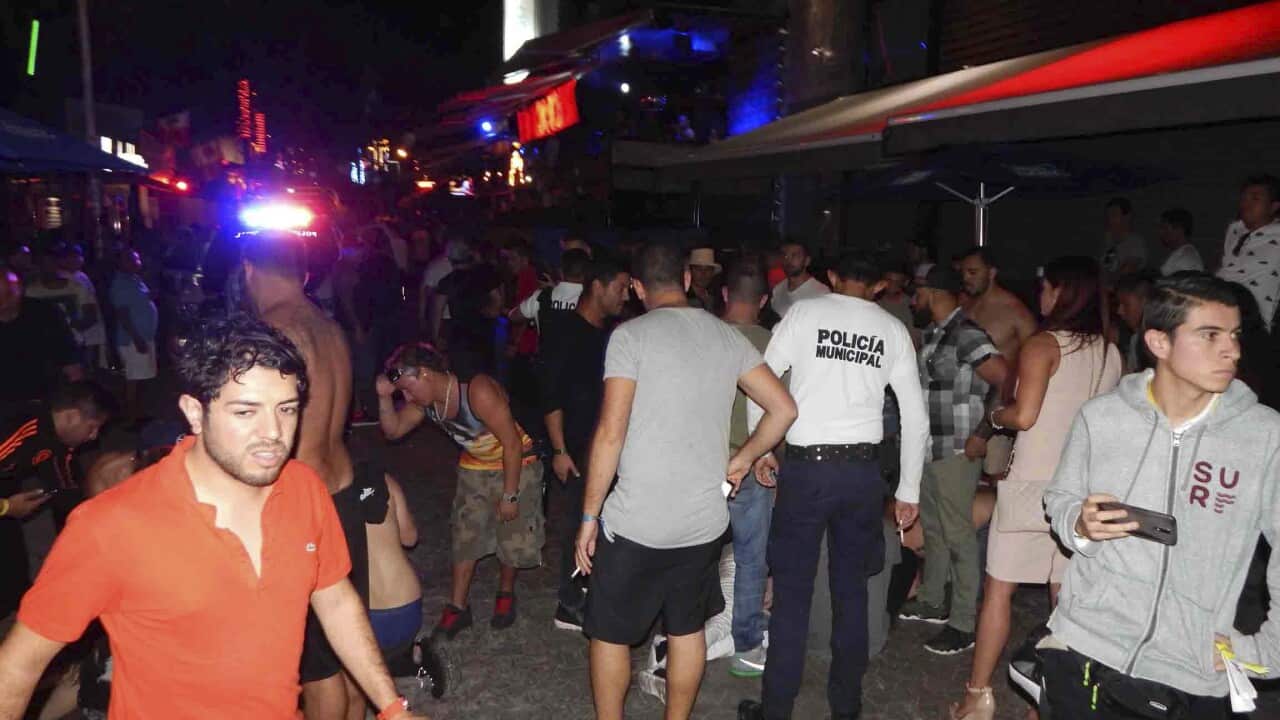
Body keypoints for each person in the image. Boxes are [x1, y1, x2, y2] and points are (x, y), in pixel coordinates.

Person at [0, 315, 427, 720]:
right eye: (246, 412)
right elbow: (18, 664)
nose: (273, 434)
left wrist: (390, 706)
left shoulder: (304, 488)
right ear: (194, 412)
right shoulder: (112, 524)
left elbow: (334, 600)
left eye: (287, 409)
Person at [573, 236, 796, 720]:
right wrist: (747, 456)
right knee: (686, 627)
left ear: (635, 287)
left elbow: (611, 433)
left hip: (637, 522)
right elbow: (783, 408)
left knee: (609, 633)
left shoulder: (630, 337)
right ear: (689, 279)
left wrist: (589, 515)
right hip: (703, 521)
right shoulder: (727, 336)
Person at [1041, 273, 1280, 719]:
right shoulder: (1102, 417)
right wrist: (1078, 522)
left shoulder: (1264, 436)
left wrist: (1266, 650)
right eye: (1210, 336)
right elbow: (1061, 497)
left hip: (1191, 670)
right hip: (1087, 647)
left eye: (1234, 335)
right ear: (1159, 342)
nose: (1232, 350)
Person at [739, 252, 928, 720]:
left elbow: (759, 382)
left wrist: (762, 449)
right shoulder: (891, 329)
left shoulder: (805, 313)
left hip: (806, 471)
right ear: (879, 286)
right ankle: (846, 707)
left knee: (791, 591)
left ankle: (776, 708)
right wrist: (908, 491)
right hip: (862, 475)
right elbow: (915, 418)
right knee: (851, 592)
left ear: (832, 278)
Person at [950, 256, 1121, 720]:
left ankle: (978, 695)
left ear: (1062, 291)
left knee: (999, 590)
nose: (1040, 296)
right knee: (1064, 597)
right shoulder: (1111, 350)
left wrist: (993, 417)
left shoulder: (1043, 344)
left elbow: (1024, 415)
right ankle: (1054, 697)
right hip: (1082, 488)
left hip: (1033, 485)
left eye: (1045, 288)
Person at [241, 232, 373, 720]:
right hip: (343, 495)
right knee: (342, 644)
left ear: (249, 270)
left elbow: (261, 440)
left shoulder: (273, 334)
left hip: (301, 504)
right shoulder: (330, 327)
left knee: (314, 664)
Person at [377, 343, 543, 638]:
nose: (407, 397)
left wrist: (510, 494)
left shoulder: (476, 390)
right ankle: (457, 606)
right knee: (465, 534)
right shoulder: (425, 402)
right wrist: (383, 398)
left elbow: (513, 444)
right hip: (476, 466)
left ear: (425, 374)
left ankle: (505, 593)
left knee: (512, 533)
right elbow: (394, 431)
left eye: (408, 388)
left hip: (518, 461)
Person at [897, 266, 1009, 656]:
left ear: (932, 291)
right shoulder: (937, 333)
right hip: (931, 446)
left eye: (917, 293)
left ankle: (964, 623)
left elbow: (1005, 379)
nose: (913, 300)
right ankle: (932, 599)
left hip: (958, 447)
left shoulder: (966, 333)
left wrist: (984, 431)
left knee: (959, 534)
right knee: (935, 526)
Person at [538, 256, 631, 631]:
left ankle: (588, 591)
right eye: (621, 287)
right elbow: (550, 395)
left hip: (600, 443)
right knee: (581, 520)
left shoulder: (608, 334)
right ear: (598, 286)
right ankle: (569, 601)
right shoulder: (565, 331)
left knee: (597, 519)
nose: (625, 295)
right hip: (575, 447)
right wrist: (559, 450)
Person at [0, 381, 114, 617]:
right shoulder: (17, 432)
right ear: (71, 417)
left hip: (6, 478)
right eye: (92, 427)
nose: (94, 437)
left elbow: (65, 487)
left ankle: (12, 605)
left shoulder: (59, 441)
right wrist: (7, 506)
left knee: (13, 560)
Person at [720, 262, 776, 678]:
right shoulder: (774, 346)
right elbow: (784, 412)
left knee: (693, 552)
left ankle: (683, 632)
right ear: (763, 301)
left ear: (725, 294)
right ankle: (746, 645)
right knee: (751, 557)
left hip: (702, 460)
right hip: (753, 461)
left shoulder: (703, 338)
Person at [0, 268, 82, 405]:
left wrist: (76, 400)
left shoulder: (46, 313)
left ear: (18, 290)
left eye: (7, 294)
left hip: (43, 397)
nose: (3, 302)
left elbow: (70, 360)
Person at [1217, 174, 1280, 331]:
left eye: (1255, 199)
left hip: (1253, 323)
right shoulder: (1234, 229)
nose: (1246, 204)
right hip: (1218, 310)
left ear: (1273, 207)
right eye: (1244, 198)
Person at [24, 243, 100, 368]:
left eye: (50, 263)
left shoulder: (76, 287)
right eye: (43, 264)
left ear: (58, 263)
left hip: (73, 345)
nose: (47, 267)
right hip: (44, 348)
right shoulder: (31, 291)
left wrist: (77, 324)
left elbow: (91, 316)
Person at [109, 249, 158, 421]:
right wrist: (136, 338)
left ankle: (139, 412)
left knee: (143, 377)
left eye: (137, 259)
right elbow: (122, 315)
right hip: (132, 340)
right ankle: (130, 416)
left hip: (144, 336)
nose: (137, 262)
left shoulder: (135, 279)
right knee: (133, 379)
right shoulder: (120, 284)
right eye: (132, 260)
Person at [769, 241, 829, 319]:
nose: (788, 260)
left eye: (795, 255)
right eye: (785, 255)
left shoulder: (820, 293)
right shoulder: (778, 289)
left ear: (807, 261)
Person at [1114, 272, 1156, 373]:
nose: (1119, 311)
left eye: (1126, 304)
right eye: (1119, 304)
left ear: (1145, 303)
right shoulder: (1135, 340)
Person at [1099, 197, 1147, 280]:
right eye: (1107, 216)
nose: (1109, 219)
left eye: (1113, 215)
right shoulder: (1110, 242)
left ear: (1127, 217)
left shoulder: (1135, 242)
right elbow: (1107, 268)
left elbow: (1127, 271)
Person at [1157, 208, 1204, 275]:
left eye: (1165, 228)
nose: (1160, 232)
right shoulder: (1180, 253)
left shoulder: (1187, 258)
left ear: (1179, 230)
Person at [687, 247, 722, 313]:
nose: (703, 274)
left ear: (712, 272)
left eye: (708, 269)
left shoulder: (716, 299)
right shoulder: (684, 299)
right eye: (698, 269)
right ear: (691, 270)